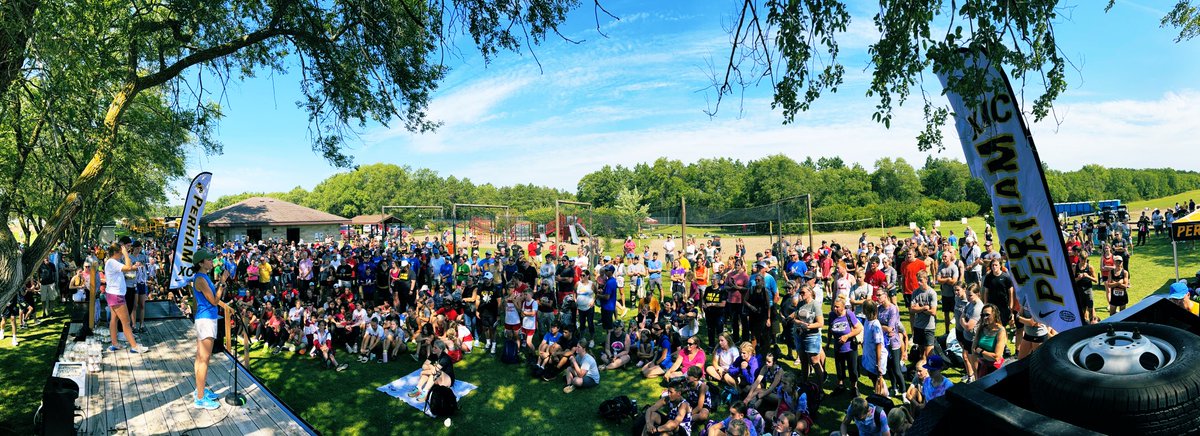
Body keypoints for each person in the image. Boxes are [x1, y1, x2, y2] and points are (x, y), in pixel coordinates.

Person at [190, 250, 226, 410]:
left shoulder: (203, 277)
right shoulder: (201, 278)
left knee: (200, 357)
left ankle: (200, 390)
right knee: (204, 359)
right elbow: (214, 301)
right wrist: (223, 283)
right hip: (206, 320)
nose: (212, 262)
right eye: (209, 260)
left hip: (203, 318)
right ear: (201, 263)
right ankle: (200, 398)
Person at [104, 241, 146, 353]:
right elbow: (127, 267)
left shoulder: (112, 262)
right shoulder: (112, 262)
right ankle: (134, 346)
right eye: (121, 253)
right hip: (116, 295)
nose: (122, 255)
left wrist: (134, 267)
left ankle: (114, 343)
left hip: (113, 294)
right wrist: (127, 254)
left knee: (114, 319)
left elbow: (128, 268)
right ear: (116, 252)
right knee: (126, 322)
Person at [828, 297, 862, 396]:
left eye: (837, 307)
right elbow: (830, 329)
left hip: (850, 347)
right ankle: (840, 386)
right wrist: (828, 343)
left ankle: (854, 388)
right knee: (839, 368)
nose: (835, 309)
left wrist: (846, 336)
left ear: (843, 307)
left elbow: (858, 328)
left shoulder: (849, 314)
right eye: (834, 306)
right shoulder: (831, 315)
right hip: (838, 348)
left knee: (852, 369)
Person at [909, 271, 937, 370]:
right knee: (921, 353)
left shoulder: (931, 293)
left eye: (921, 280)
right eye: (918, 281)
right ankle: (922, 371)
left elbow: (933, 312)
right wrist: (924, 308)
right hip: (918, 326)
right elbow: (912, 310)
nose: (919, 283)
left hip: (929, 327)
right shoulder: (915, 293)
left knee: (929, 352)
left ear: (926, 280)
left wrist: (919, 309)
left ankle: (931, 371)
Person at [972, 303, 1008, 378]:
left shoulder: (1000, 330)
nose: (985, 317)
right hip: (981, 367)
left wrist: (980, 351)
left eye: (987, 315)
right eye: (983, 315)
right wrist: (985, 354)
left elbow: (996, 357)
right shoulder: (981, 328)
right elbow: (973, 350)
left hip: (995, 370)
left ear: (995, 315)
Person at [861, 300, 889, 397]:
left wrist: (878, 363)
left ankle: (882, 395)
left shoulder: (875, 324)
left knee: (878, 378)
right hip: (869, 355)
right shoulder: (867, 321)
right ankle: (877, 392)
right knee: (872, 376)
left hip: (876, 357)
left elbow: (878, 344)